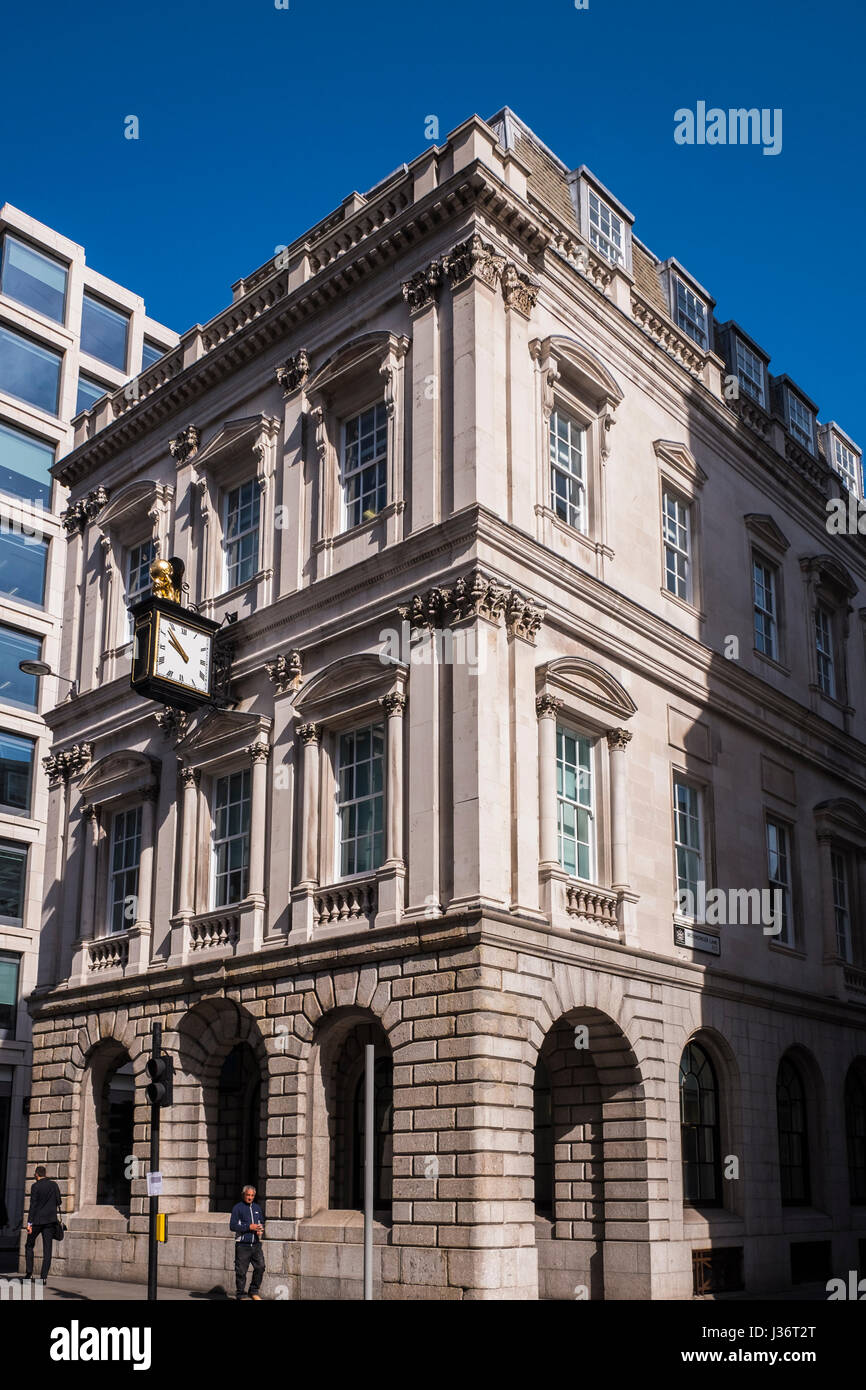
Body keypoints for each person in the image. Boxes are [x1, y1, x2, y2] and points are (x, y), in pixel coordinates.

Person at [24, 1165, 62, 1283]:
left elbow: (33, 1206)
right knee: (47, 1249)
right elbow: (59, 1201)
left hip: (37, 1221)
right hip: (50, 1221)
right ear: (45, 1173)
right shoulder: (54, 1185)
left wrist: (29, 1223)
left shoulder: (35, 1186)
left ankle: (29, 1273)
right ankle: (43, 1277)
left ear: (37, 1174)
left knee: (29, 1245)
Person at [229, 1184, 265, 1300]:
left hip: (256, 1244)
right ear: (243, 1195)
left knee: (260, 1267)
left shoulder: (257, 1208)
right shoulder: (237, 1208)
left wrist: (260, 1229)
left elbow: (261, 1222)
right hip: (242, 1245)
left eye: (252, 1195)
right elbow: (233, 1226)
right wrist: (249, 1227)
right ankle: (241, 1294)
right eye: (248, 1195)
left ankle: (253, 1291)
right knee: (241, 1272)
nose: (250, 1197)